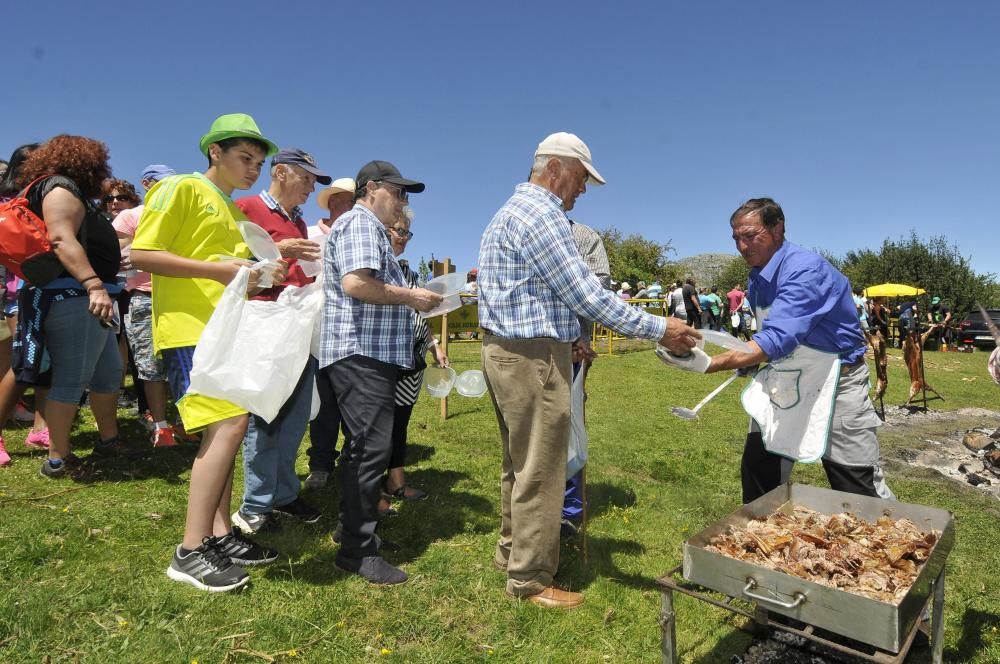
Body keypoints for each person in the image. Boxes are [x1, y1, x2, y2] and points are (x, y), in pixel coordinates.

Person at [478, 131, 698, 609]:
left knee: (519, 462)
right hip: (532, 358)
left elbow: (541, 293)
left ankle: (512, 551)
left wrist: (572, 335)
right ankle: (531, 579)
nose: (581, 191)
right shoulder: (542, 214)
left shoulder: (512, 211)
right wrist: (659, 327)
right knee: (542, 467)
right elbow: (586, 295)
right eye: (580, 179)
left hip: (509, 350)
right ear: (555, 169)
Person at [132, 113, 288, 592]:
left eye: (259, 163)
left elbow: (231, 268)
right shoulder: (180, 187)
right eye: (245, 158)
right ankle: (190, 550)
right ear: (214, 152)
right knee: (228, 425)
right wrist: (220, 272)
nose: (252, 169)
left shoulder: (232, 209)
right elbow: (141, 255)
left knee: (227, 430)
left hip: (224, 329)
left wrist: (266, 270)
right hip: (189, 330)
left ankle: (220, 535)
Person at [702, 198, 893, 503]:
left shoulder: (805, 270)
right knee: (759, 473)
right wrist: (750, 359)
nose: (742, 246)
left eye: (750, 236)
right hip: (787, 382)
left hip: (837, 385)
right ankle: (758, 541)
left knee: (857, 487)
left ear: (777, 229)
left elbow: (778, 338)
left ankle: (899, 545)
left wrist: (708, 363)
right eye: (736, 238)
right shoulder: (757, 278)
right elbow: (773, 333)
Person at [318, 160, 441, 585]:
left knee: (362, 448)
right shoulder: (361, 223)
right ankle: (357, 551)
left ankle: (349, 528)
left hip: (365, 353)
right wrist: (413, 296)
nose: (404, 202)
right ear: (371, 189)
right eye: (399, 192)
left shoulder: (367, 228)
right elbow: (357, 284)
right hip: (360, 352)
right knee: (370, 449)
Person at [9, 136, 126, 478]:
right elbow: (61, 239)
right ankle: (58, 461)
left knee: (107, 375)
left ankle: (109, 440)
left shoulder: (64, 190)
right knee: (71, 380)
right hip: (74, 296)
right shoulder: (60, 188)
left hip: (89, 297)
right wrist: (93, 284)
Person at [231, 148, 332, 533]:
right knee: (266, 414)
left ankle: (284, 493)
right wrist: (279, 253)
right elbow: (230, 262)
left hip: (297, 323)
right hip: (264, 323)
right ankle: (255, 504)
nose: (310, 186)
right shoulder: (246, 207)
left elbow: (297, 271)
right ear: (282, 172)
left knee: (292, 416)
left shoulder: (298, 221)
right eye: (306, 178)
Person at [378, 207, 447, 515]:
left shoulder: (410, 273)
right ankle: (368, 490)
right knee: (376, 424)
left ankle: (395, 480)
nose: (404, 238)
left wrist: (434, 345)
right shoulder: (372, 268)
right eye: (398, 231)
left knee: (401, 421)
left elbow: (422, 316)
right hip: (381, 358)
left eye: (407, 233)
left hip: (412, 359)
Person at [111, 166, 179, 447]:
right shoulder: (130, 216)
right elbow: (121, 259)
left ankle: (182, 423)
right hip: (143, 296)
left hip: (178, 295)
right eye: (163, 184)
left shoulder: (179, 216)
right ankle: (161, 427)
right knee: (150, 366)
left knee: (180, 362)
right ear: (147, 184)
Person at [561, 218, 611, 538]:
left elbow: (598, 289)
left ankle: (568, 510)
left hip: (573, 349)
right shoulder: (523, 229)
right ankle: (533, 509)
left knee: (569, 422)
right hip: (528, 352)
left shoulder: (584, 236)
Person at [304, 177, 355, 490]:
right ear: (334, 201)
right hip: (315, 331)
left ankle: (352, 461)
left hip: (351, 332)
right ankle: (320, 464)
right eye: (350, 199)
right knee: (322, 404)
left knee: (352, 400)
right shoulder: (307, 234)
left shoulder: (358, 235)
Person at [101, 178, 146, 414]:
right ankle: (115, 390)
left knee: (132, 343)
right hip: (110, 287)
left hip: (135, 287)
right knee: (114, 338)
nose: (115, 202)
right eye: (109, 199)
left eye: (121, 197)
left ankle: (140, 399)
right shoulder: (100, 224)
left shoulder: (144, 220)